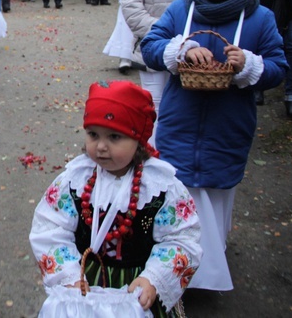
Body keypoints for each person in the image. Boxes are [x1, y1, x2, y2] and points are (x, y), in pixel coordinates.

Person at [141, 0, 288, 292]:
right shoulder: (181, 9)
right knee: (180, 192)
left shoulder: (260, 18)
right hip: (180, 121)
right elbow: (150, 45)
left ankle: (210, 265)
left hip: (228, 126)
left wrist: (250, 64)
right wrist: (181, 48)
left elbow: (279, 67)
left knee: (216, 195)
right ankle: (174, 266)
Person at [30, 80, 201, 317]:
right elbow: (50, 227)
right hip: (85, 283)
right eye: (93, 134)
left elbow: (182, 238)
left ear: (139, 139)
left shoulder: (161, 187)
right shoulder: (75, 180)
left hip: (136, 288)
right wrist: (67, 275)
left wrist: (154, 278)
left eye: (114, 137)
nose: (101, 146)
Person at [120, 0, 196, 146]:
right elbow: (132, 9)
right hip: (153, 47)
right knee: (155, 105)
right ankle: (151, 152)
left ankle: (175, 152)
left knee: (183, 107)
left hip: (187, 48)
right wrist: (165, 33)